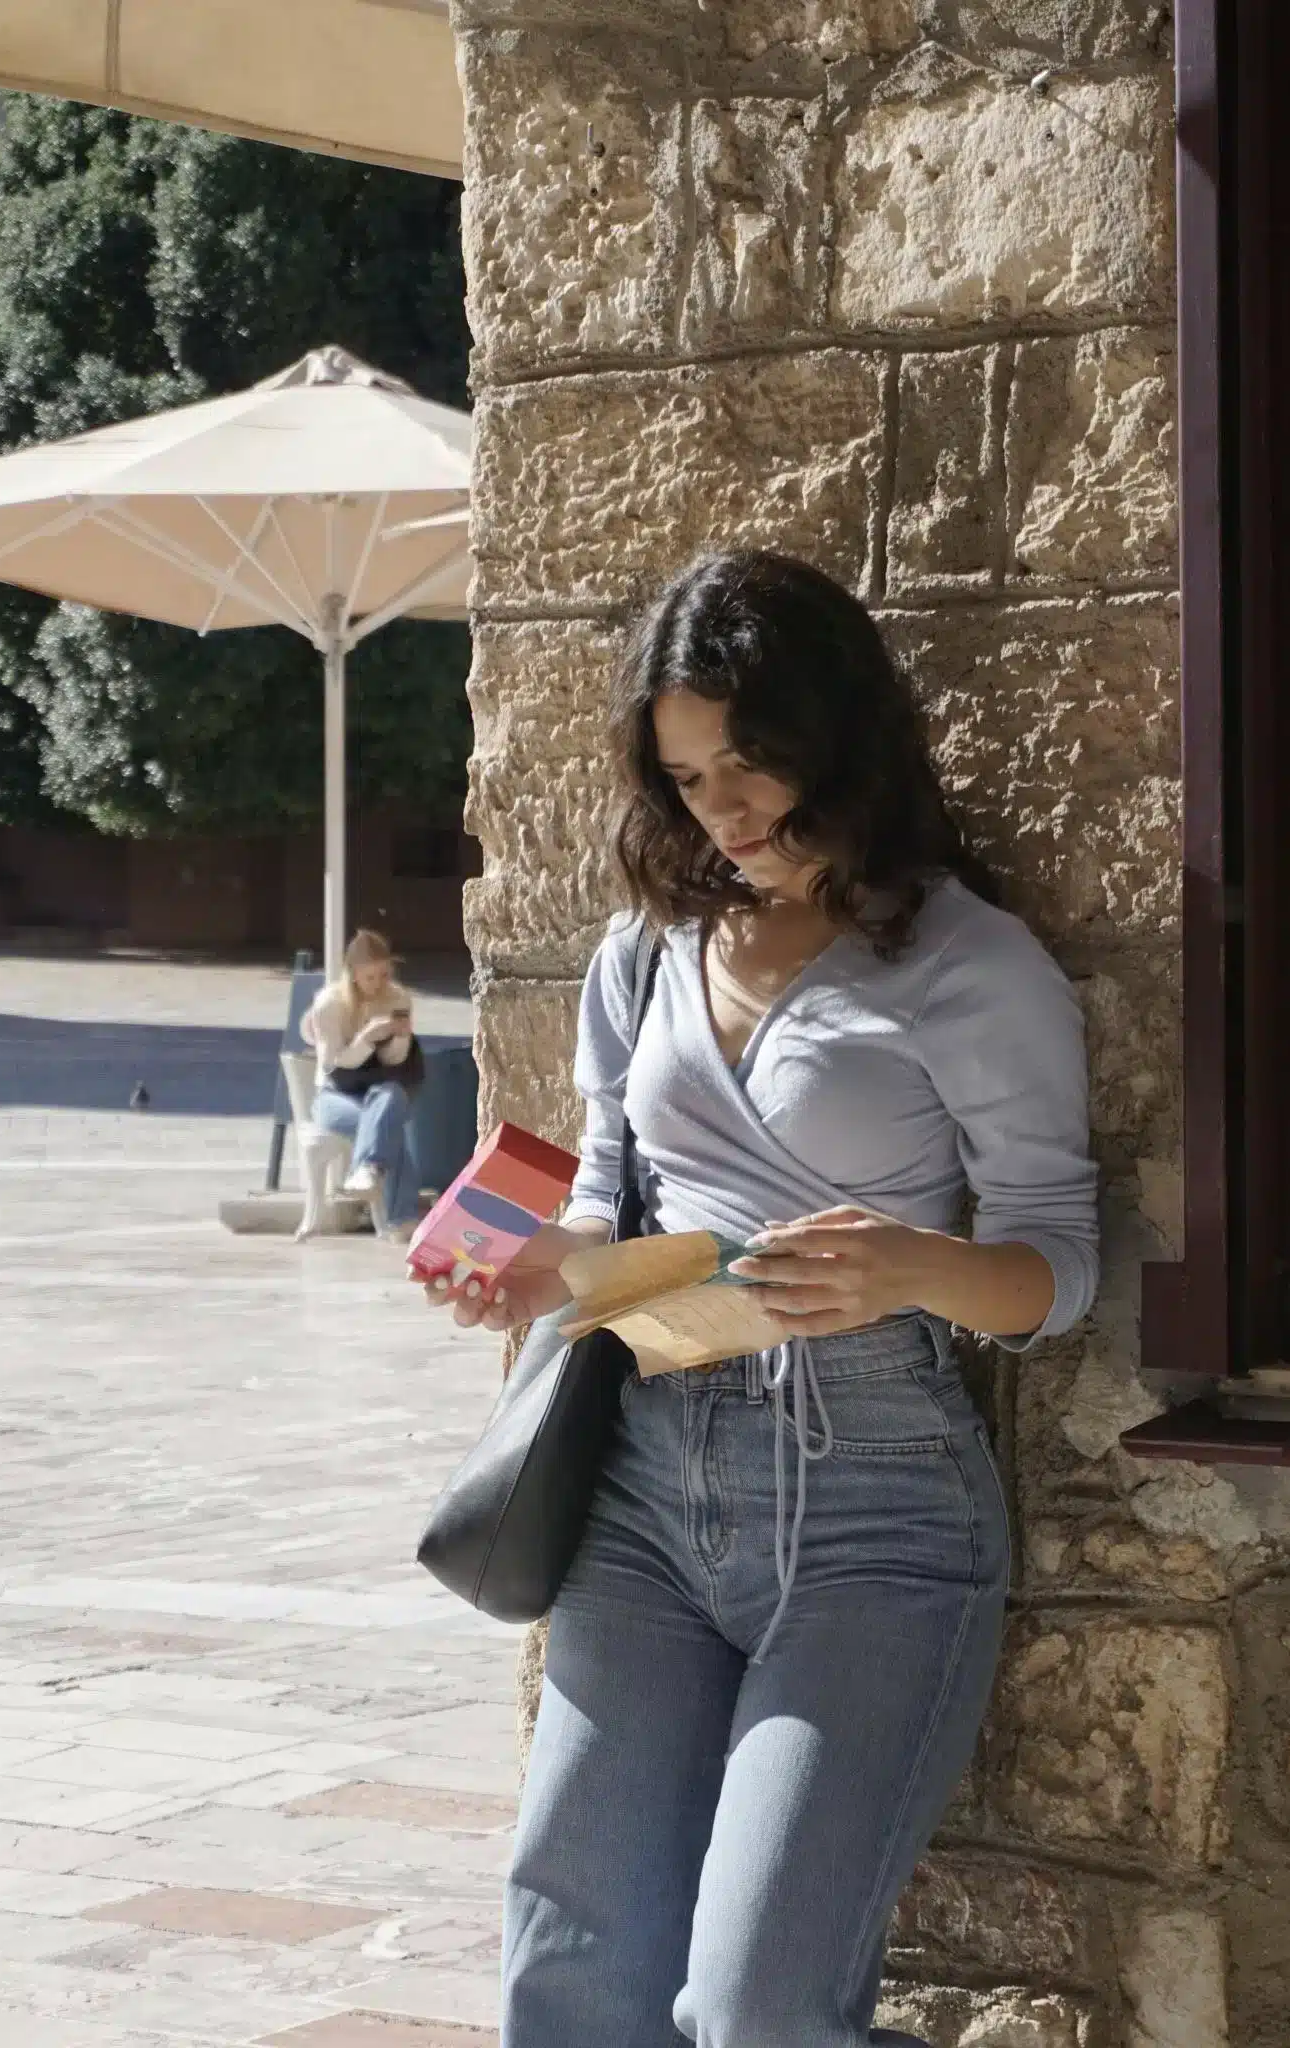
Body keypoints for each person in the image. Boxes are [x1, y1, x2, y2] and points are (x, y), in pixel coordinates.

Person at [417, 551, 1100, 2048]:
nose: (719, 809)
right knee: (574, 1979)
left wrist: (910, 1265)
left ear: (834, 737)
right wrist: (536, 1268)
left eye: (746, 762)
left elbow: (1058, 1265)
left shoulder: (971, 963)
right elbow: (610, 1191)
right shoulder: (646, 949)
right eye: (684, 777)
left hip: (874, 1506)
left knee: (757, 2011)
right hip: (643, 1487)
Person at [297, 928, 423, 1243]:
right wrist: (366, 1039)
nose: (378, 983)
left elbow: (394, 1061)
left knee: (391, 1097)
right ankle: (403, 1218)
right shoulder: (330, 1003)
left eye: (384, 975)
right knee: (386, 1126)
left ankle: (368, 1170)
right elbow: (332, 1063)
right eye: (370, 977)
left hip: (378, 1089)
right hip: (334, 1094)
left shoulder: (397, 998)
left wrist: (400, 1038)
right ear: (353, 974)